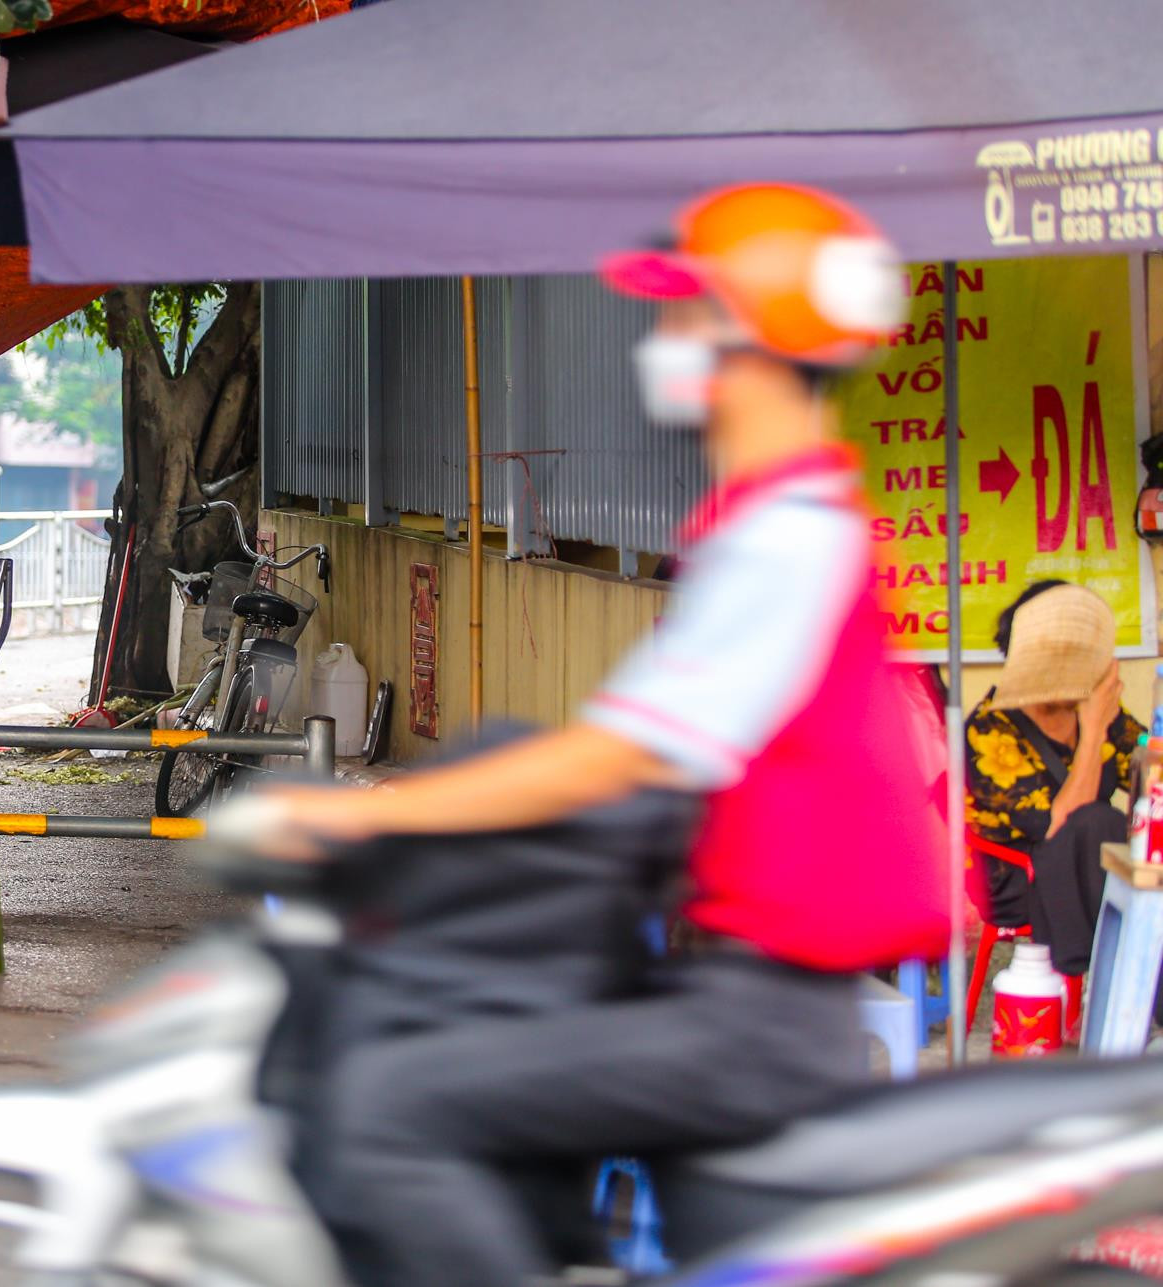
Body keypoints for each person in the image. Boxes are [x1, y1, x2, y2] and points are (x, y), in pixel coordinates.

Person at [230, 184, 949, 1287]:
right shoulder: (769, 521)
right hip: (723, 989)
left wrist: (352, 811)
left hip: (752, 1021)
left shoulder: (785, 539)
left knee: (391, 1105)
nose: (658, 343)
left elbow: (618, 755)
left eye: (680, 315)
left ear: (740, 336)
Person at [965, 581, 1140, 978]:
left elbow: (1146, 768)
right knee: (1099, 820)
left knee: (1123, 840)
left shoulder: (1097, 708)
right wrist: (1093, 731)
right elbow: (1055, 825)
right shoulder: (990, 729)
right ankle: (1101, 976)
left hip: (1095, 870)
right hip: (1018, 877)